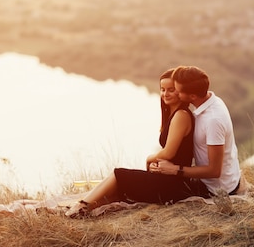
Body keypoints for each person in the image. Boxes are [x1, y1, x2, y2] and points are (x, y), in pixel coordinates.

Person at [66, 68, 209, 217]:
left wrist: (150, 159)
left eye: (171, 90)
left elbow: (169, 152)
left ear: (180, 91)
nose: (165, 94)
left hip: (173, 185)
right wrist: (157, 165)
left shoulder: (181, 115)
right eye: (162, 89)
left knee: (118, 174)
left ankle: (80, 207)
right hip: (167, 178)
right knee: (118, 190)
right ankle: (83, 209)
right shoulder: (173, 114)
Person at [151, 65, 241, 196]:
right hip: (222, 179)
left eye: (177, 90)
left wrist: (176, 170)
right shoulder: (212, 100)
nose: (175, 92)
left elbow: (214, 171)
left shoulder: (213, 120)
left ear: (192, 96)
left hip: (217, 189)